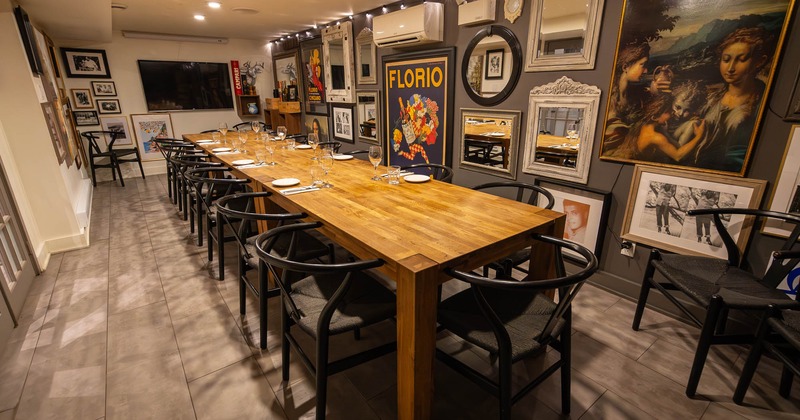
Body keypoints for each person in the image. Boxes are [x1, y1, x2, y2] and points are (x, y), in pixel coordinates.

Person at [692, 27, 773, 172]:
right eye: (726, 59)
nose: (730, 67)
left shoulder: (762, 102)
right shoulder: (710, 98)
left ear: (759, 61)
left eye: (741, 59)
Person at [609, 94, 705, 163]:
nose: (673, 114)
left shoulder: (643, 125)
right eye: (668, 112)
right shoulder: (656, 137)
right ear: (655, 117)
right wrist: (699, 136)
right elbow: (678, 156)